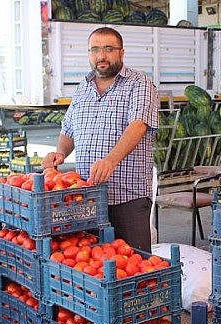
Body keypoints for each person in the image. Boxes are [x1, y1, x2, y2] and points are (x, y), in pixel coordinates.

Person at [42, 27, 159, 252]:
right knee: (92, 267)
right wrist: (60, 153)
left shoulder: (139, 83)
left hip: (127, 196)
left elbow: (138, 126)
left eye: (108, 49)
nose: (101, 56)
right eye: (95, 49)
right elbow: (69, 128)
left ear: (121, 53)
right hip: (86, 198)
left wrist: (110, 161)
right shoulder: (83, 87)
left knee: (134, 265)